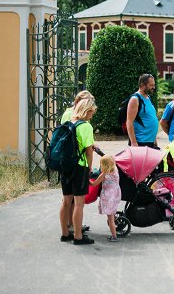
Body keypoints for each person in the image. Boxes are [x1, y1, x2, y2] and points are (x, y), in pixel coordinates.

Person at [59, 98, 96, 245]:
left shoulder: (69, 123)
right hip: (79, 167)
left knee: (66, 201)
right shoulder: (85, 126)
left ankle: (65, 234)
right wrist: (89, 169)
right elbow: (89, 151)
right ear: (87, 111)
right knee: (79, 203)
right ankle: (78, 236)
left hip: (65, 167)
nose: (92, 116)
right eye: (92, 113)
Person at [91, 155, 122, 242]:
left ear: (104, 166)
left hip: (108, 196)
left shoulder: (104, 175)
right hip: (115, 194)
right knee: (112, 213)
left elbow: (94, 184)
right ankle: (115, 228)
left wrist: (87, 179)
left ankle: (114, 236)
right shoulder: (115, 170)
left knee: (110, 217)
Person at [126, 74, 159, 149]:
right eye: (151, 85)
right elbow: (129, 122)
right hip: (140, 141)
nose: (154, 87)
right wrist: (134, 142)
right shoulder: (135, 99)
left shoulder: (148, 98)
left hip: (150, 141)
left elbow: (150, 118)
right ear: (142, 85)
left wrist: (154, 139)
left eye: (154, 85)